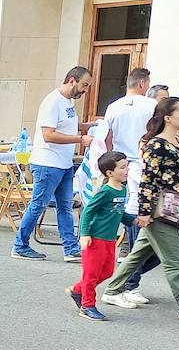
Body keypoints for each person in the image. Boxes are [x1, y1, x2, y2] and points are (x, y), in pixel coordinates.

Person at [98, 98, 179, 322]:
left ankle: (113, 290)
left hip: (171, 205)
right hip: (158, 208)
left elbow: (173, 172)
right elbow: (148, 181)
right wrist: (144, 212)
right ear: (168, 117)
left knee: (137, 255)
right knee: (176, 260)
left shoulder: (176, 140)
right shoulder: (156, 145)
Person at [12, 67, 93, 261]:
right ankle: (20, 245)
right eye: (84, 85)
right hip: (47, 163)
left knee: (65, 206)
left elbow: (65, 125)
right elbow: (48, 135)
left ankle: (70, 248)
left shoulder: (68, 102)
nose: (85, 90)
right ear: (72, 80)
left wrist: (86, 126)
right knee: (38, 205)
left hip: (63, 163)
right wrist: (79, 139)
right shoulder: (52, 101)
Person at [69, 152, 136, 321]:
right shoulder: (105, 191)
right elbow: (87, 211)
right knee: (90, 275)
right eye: (122, 167)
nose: (127, 170)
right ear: (109, 173)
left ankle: (77, 290)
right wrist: (84, 234)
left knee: (106, 272)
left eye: (127, 166)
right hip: (95, 238)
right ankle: (87, 305)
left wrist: (134, 220)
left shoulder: (122, 189)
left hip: (109, 239)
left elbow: (118, 213)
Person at [103, 67, 156, 264]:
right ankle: (136, 247)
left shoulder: (113, 107)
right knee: (139, 204)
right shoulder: (152, 105)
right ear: (142, 83)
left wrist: (110, 159)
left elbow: (107, 137)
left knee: (124, 202)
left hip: (120, 161)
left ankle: (126, 244)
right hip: (142, 160)